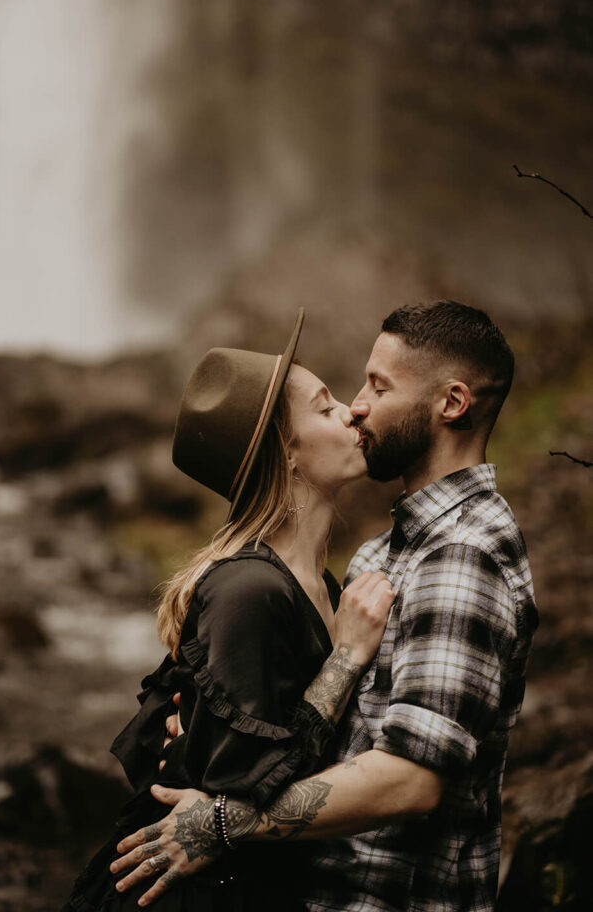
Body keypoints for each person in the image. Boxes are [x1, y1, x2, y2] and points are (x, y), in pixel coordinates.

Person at [111, 300, 539, 912]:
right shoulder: (375, 558)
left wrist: (224, 820)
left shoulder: (463, 556)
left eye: (377, 385)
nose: (357, 405)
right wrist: (199, 738)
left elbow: (412, 780)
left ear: (451, 404)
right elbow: (297, 730)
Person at [60, 309, 395, 912]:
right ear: (285, 455)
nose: (352, 412)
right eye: (324, 408)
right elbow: (243, 784)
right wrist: (344, 659)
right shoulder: (250, 591)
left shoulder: (318, 583)